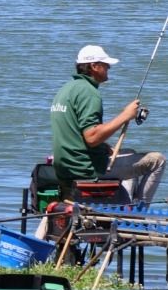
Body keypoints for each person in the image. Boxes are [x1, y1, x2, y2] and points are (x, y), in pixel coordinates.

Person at [50, 45, 165, 203]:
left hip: (65, 166)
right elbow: (91, 137)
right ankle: (140, 213)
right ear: (94, 66)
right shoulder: (89, 92)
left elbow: (75, 134)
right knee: (157, 160)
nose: (108, 67)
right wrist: (125, 116)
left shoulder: (65, 90)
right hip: (86, 169)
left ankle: (124, 203)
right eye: (105, 64)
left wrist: (104, 148)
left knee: (128, 152)